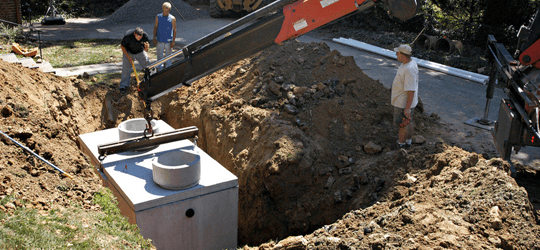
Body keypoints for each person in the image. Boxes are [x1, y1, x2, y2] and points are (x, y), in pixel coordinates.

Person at [391, 44, 419, 149]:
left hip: (403, 103)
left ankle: (401, 145)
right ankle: (408, 141)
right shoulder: (409, 63)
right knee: (408, 121)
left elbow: (410, 90)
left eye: (397, 53)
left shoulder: (409, 69)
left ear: (403, 55)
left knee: (402, 124)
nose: (396, 54)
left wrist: (407, 108)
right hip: (405, 101)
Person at [153, 2, 177, 70]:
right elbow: (155, 27)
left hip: (169, 40)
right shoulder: (158, 17)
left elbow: (174, 30)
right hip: (160, 39)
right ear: (163, 9)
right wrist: (154, 37)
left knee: (169, 56)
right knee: (159, 56)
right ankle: (160, 69)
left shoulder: (172, 18)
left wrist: (173, 41)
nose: (167, 12)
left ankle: (168, 69)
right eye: (165, 10)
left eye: (168, 10)